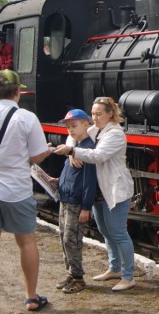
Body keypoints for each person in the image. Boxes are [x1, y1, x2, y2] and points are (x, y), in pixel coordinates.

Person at [0, 70, 52, 313]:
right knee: (26, 242)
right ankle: (31, 298)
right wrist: (46, 150)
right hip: (17, 190)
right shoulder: (26, 117)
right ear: (17, 91)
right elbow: (36, 156)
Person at [54, 96, 136, 292]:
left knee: (118, 232)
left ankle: (128, 276)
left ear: (110, 114)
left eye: (99, 114)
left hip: (115, 189)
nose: (95, 117)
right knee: (105, 231)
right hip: (99, 190)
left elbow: (99, 155)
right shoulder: (96, 129)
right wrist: (72, 149)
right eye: (92, 114)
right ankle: (114, 268)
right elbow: (74, 134)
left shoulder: (115, 133)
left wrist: (73, 152)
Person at [53, 109, 98, 294]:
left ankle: (79, 277)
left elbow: (89, 180)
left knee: (72, 239)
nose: (70, 129)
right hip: (65, 198)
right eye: (68, 126)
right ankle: (71, 272)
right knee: (64, 236)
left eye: (74, 125)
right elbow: (70, 172)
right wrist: (56, 181)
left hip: (76, 202)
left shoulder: (87, 149)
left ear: (86, 124)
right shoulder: (75, 148)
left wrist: (86, 207)